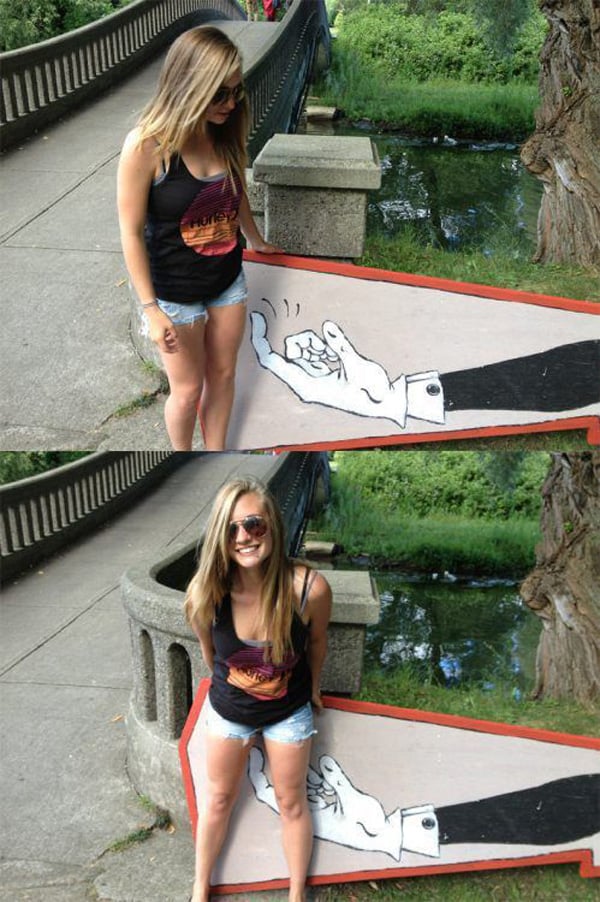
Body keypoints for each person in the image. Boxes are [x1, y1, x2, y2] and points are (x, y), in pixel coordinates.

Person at [117, 26, 282, 451]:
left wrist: (255, 238)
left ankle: (216, 455)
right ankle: (184, 460)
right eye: (219, 94)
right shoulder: (146, 146)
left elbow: (233, 191)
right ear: (189, 88)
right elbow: (130, 232)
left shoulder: (223, 130)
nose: (231, 103)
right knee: (188, 390)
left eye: (236, 91)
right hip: (175, 292)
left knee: (224, 375)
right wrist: (151, 309)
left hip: (227, 280)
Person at [184, 476, 332, 902]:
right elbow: (212, 656)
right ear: (219, 536)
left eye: (253, 524)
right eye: (231, 529)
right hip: (229, 710)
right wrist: (237, 691)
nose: (243, 537)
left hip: (288, 711)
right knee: (218, 799)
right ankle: (199, 889)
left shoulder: (308, 590)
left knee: (292, 802)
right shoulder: (206, 594)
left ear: (273, 526)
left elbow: (317, 643)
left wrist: (314, 688)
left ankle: (296, 893)